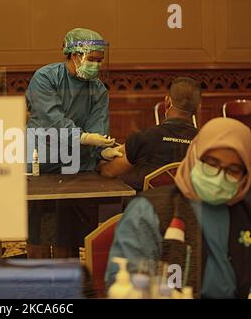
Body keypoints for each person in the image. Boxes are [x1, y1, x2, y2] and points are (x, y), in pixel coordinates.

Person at [105, 118, 251, 299]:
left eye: (233, 170)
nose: (220, 177)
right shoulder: (149, 210)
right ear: (194, 156)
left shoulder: (244, 210)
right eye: (211, 164)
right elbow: (125, 285)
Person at [26, 28, 122, 258]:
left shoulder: (97, 89)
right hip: (42, 160)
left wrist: (104, 150)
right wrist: (83, 138)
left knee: (67, 233)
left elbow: (98, 126)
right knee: (37, 229)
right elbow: (51, 118)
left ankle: (65, 282)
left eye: (100, 61)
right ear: (74, 55)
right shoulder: (45, 78)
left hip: (77, 167)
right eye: (92, 59)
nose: (97, 66)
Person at [99, 77, 200, 191]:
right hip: (190, 207)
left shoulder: (144, 138)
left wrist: (101, 157)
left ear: (167, 103)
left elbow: (108, 172)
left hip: (148, 207)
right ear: (197, 108)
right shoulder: (206, 143)